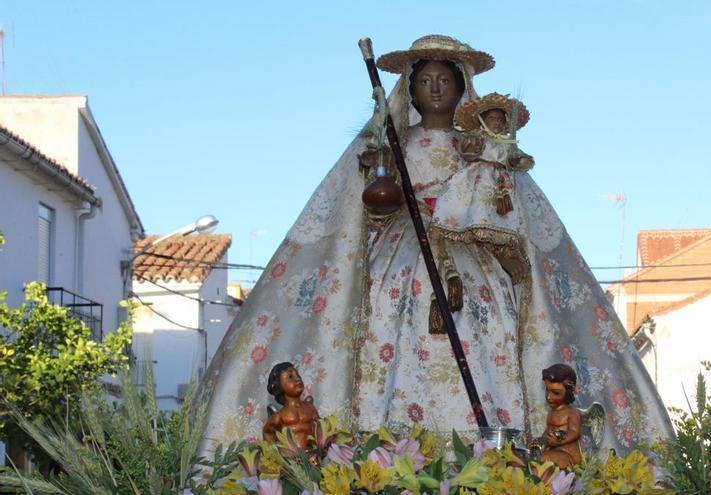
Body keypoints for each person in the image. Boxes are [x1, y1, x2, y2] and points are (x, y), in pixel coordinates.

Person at [198, 35, 673, 458]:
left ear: (462, 86)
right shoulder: (392, 143)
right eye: (425, 80)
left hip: (469, 255)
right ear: (411, 88)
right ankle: (386, 452)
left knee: (488, 329)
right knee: (385, 329)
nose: (436, 89)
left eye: (444, 79)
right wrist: (380, 176)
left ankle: (492, 452)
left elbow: (509, 206)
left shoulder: (477, 148)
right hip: (402, 254)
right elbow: (369, 205)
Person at [262, 362, 319, 448]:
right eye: (290, 377)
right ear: (279, 385)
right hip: (291, 459)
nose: (297, 379)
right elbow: (267, 432)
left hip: (313, 456)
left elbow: (321, 427)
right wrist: (272, 453)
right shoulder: (280, 415)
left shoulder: (310, 407)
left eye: (298, 376)